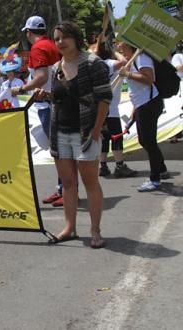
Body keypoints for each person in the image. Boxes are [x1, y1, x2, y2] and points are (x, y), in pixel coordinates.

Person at [38, 22, 111, 248]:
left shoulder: (93, 63)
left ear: (75, 38)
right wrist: (46, 95)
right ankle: (69, 228)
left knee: (90, 182)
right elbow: (61, 98)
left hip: (86, 133)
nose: (60, 42)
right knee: (68, 184)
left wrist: (96, 131)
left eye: (64, 37)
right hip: (60, 133)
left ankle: (95, 230)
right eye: (56, 38)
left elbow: (104, 99)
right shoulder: (55, 68)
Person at [12, 15, 63, 206]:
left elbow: (41, 77)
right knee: (58, 150)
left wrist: (22, 89)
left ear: (28, 32)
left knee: (59, 151)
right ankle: (62, 188)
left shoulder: (38, 48)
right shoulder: (51, 44)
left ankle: (66, 190)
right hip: (54, 101)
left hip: (48, 103)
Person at [118, 42, 170, 192]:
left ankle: (155, 179)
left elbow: (149, 78)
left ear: (128, 44)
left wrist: (127, 74)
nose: (118, 45)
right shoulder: (132, 58)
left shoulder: (141, 57)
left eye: (119, 43)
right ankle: (161, 169)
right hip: (142, 105)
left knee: (149, 141)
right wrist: (132, 116)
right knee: (144, 141)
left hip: (150, 103)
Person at [93, 45, 137, 178]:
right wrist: (115, 52)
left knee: (105, 138)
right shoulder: (109, 63)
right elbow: (125, 61)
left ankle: (103, 166)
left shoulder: (94, 67)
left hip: (99, 109)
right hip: (110, 109)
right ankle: (119, 165)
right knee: (116, 137)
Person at [169, 42, 183, 143]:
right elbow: (177, 68)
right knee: (177, 109)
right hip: (180, 85)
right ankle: (174, 133)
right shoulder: (177, 56)